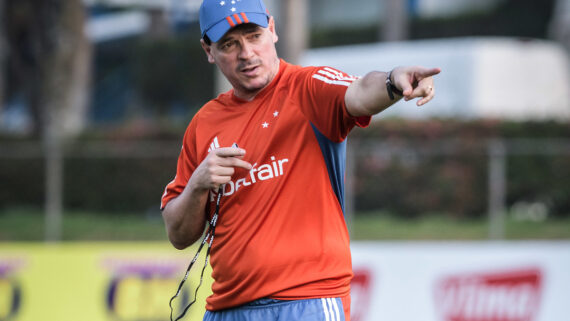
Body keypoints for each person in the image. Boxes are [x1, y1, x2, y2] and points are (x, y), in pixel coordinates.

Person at [161, 0, 441, 320]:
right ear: (208, 50)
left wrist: (392, 80)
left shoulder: (308, 88)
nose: (247, 53)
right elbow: (178, 234)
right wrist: (198, 185)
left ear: (272, 30)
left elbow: (359, 91)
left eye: (254, 36)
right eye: (229, 44)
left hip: (307, 302)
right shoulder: (204, 123)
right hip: (226, 309)